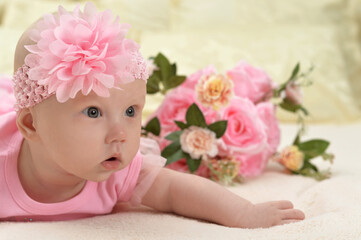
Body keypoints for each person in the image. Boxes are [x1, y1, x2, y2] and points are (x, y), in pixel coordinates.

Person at [0, 2, 305, 227]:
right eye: (93, 112)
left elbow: (175, 189)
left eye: (131, 111)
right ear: (31, 125)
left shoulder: (116, 170)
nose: (120, 133)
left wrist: (243, 213)